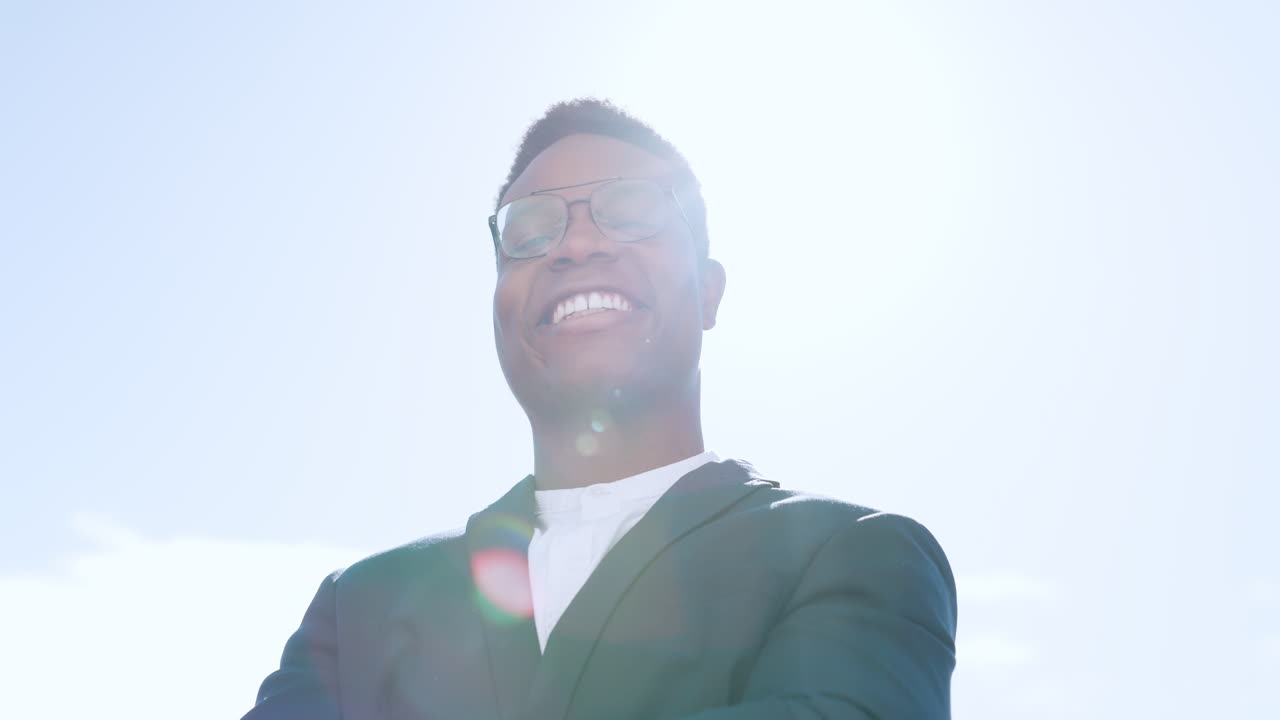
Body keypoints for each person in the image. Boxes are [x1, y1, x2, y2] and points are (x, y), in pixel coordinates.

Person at [243, 99, 957, 720]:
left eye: (632, 213)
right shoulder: (359, 605)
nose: (577, 243)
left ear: (708, 293)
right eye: (529, 231)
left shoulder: (854, 556)